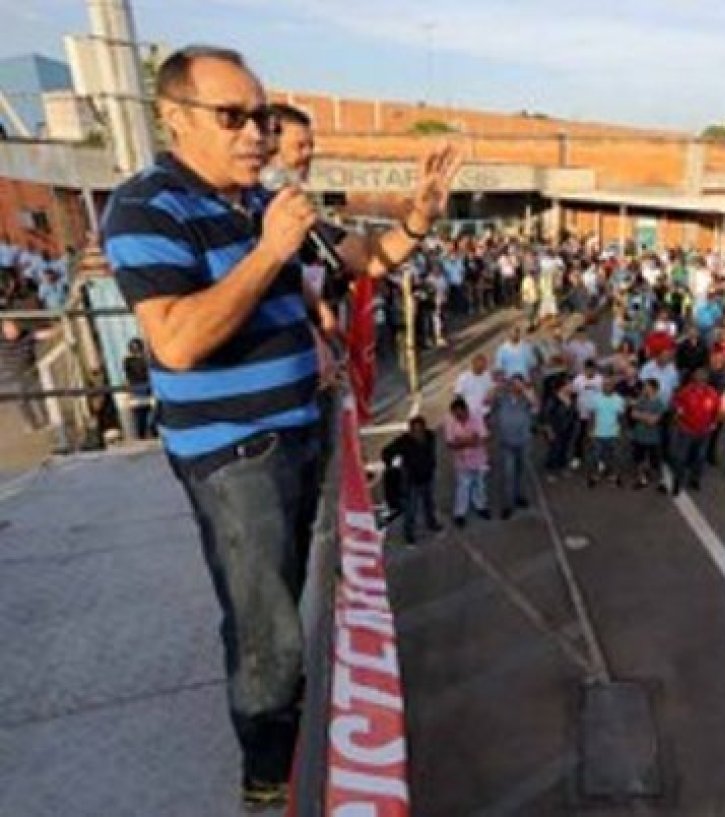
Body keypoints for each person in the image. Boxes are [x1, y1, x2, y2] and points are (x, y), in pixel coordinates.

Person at [100, 45, 461, 810]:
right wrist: (270, 253)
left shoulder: (262, 200)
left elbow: (363, 260)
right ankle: (269, 781)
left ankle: (285, 725)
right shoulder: (146, 208)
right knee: (267, 630)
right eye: (233, 116)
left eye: (262, 116)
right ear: (175, 120)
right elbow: (178, 339)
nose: (257, 134)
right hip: (235, 457)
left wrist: (419, 218)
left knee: (285, 601)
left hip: (300, 435)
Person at [381, 416, 441, 544]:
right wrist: (389, 464)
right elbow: (387, 451)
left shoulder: (430, 436)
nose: (417, 434)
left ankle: (431, 523)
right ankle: (409, 533)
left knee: (429, 504)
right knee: (411, 509)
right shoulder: (404, 441)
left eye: (420, 430)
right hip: (411, 480)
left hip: (427, 477)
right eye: (415, 431)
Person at [669, 367, 721, 495]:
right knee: (681, 458)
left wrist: (714, 423)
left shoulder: (712, 394)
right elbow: (675, 402)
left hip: (704, 432)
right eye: (698, 380)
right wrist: (677, 411)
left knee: (700, 458)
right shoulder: (686, 392)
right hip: (687, 430)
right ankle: (677, 482)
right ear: (694, 380)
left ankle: (695, 479)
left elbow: (717, 410)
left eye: (703, 380)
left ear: (706, 381)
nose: (700, 383)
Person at [492, 375, 537, 518]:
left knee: (522, 472)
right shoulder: (502, 399)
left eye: (519, 384)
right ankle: (507, 504)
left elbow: (536, 406)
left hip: (523, 442)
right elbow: (487, 399)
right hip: (507, 443)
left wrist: (525, 390)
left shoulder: (526, 399)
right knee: (508, 473)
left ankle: (519, 496)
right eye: (514, 384)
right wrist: (499, 386)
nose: (516, 387)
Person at [445, 396, 492, 526]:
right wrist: (471, 440)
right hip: (462, 461)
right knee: (462, 487)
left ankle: (480, 506)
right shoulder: (450, 421)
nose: (459, 418)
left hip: (479, 459)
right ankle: (459, 513)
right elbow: (450, 443)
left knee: (480, 485)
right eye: (456, 416)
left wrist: (462, 442)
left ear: (466, 410)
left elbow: (483, 438)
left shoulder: (476, 416)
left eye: (461, 415)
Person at [586, 378, 627, 487]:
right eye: (605, 385)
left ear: (613, 387)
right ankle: (594, 475)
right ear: (602, 386)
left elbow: (621, 417)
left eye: (609, 385)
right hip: (598, 433)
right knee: (596, 455)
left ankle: (615, 475)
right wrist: (590, 430)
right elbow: (592, 416)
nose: (607, 387)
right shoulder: (595, 398)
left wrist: (621, 432)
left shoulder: (619, 399)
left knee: (616, 455)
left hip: (613, 433)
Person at [628, 378, 667, 489]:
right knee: (639, 459)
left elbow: (653, 421)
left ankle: (661, 482)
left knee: (656, 461)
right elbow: (633, 414)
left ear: (654, 389)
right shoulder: (641, 399)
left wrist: (641, 415)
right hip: (639, 436)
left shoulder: (659, 403)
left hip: (653, 438)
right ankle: (642, 479)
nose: (644, 388)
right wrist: (647, 416)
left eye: (647, 386)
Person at [122, 337, 154, 439]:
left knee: (144, 415)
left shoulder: (130, 361)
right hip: (140, 389)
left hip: (143, 389)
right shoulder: (130, 361)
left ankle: (145, 434)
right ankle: (145, 434)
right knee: (143, 415)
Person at [454, 354, 495, 419]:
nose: (481, 370)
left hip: (486, 412)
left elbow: (491, 389)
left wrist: (490, 396)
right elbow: (458, 396)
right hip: (471, 414)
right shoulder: (464, 377)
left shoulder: (486, 375)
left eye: (483, 367)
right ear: (473, 364)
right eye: (479, 367)